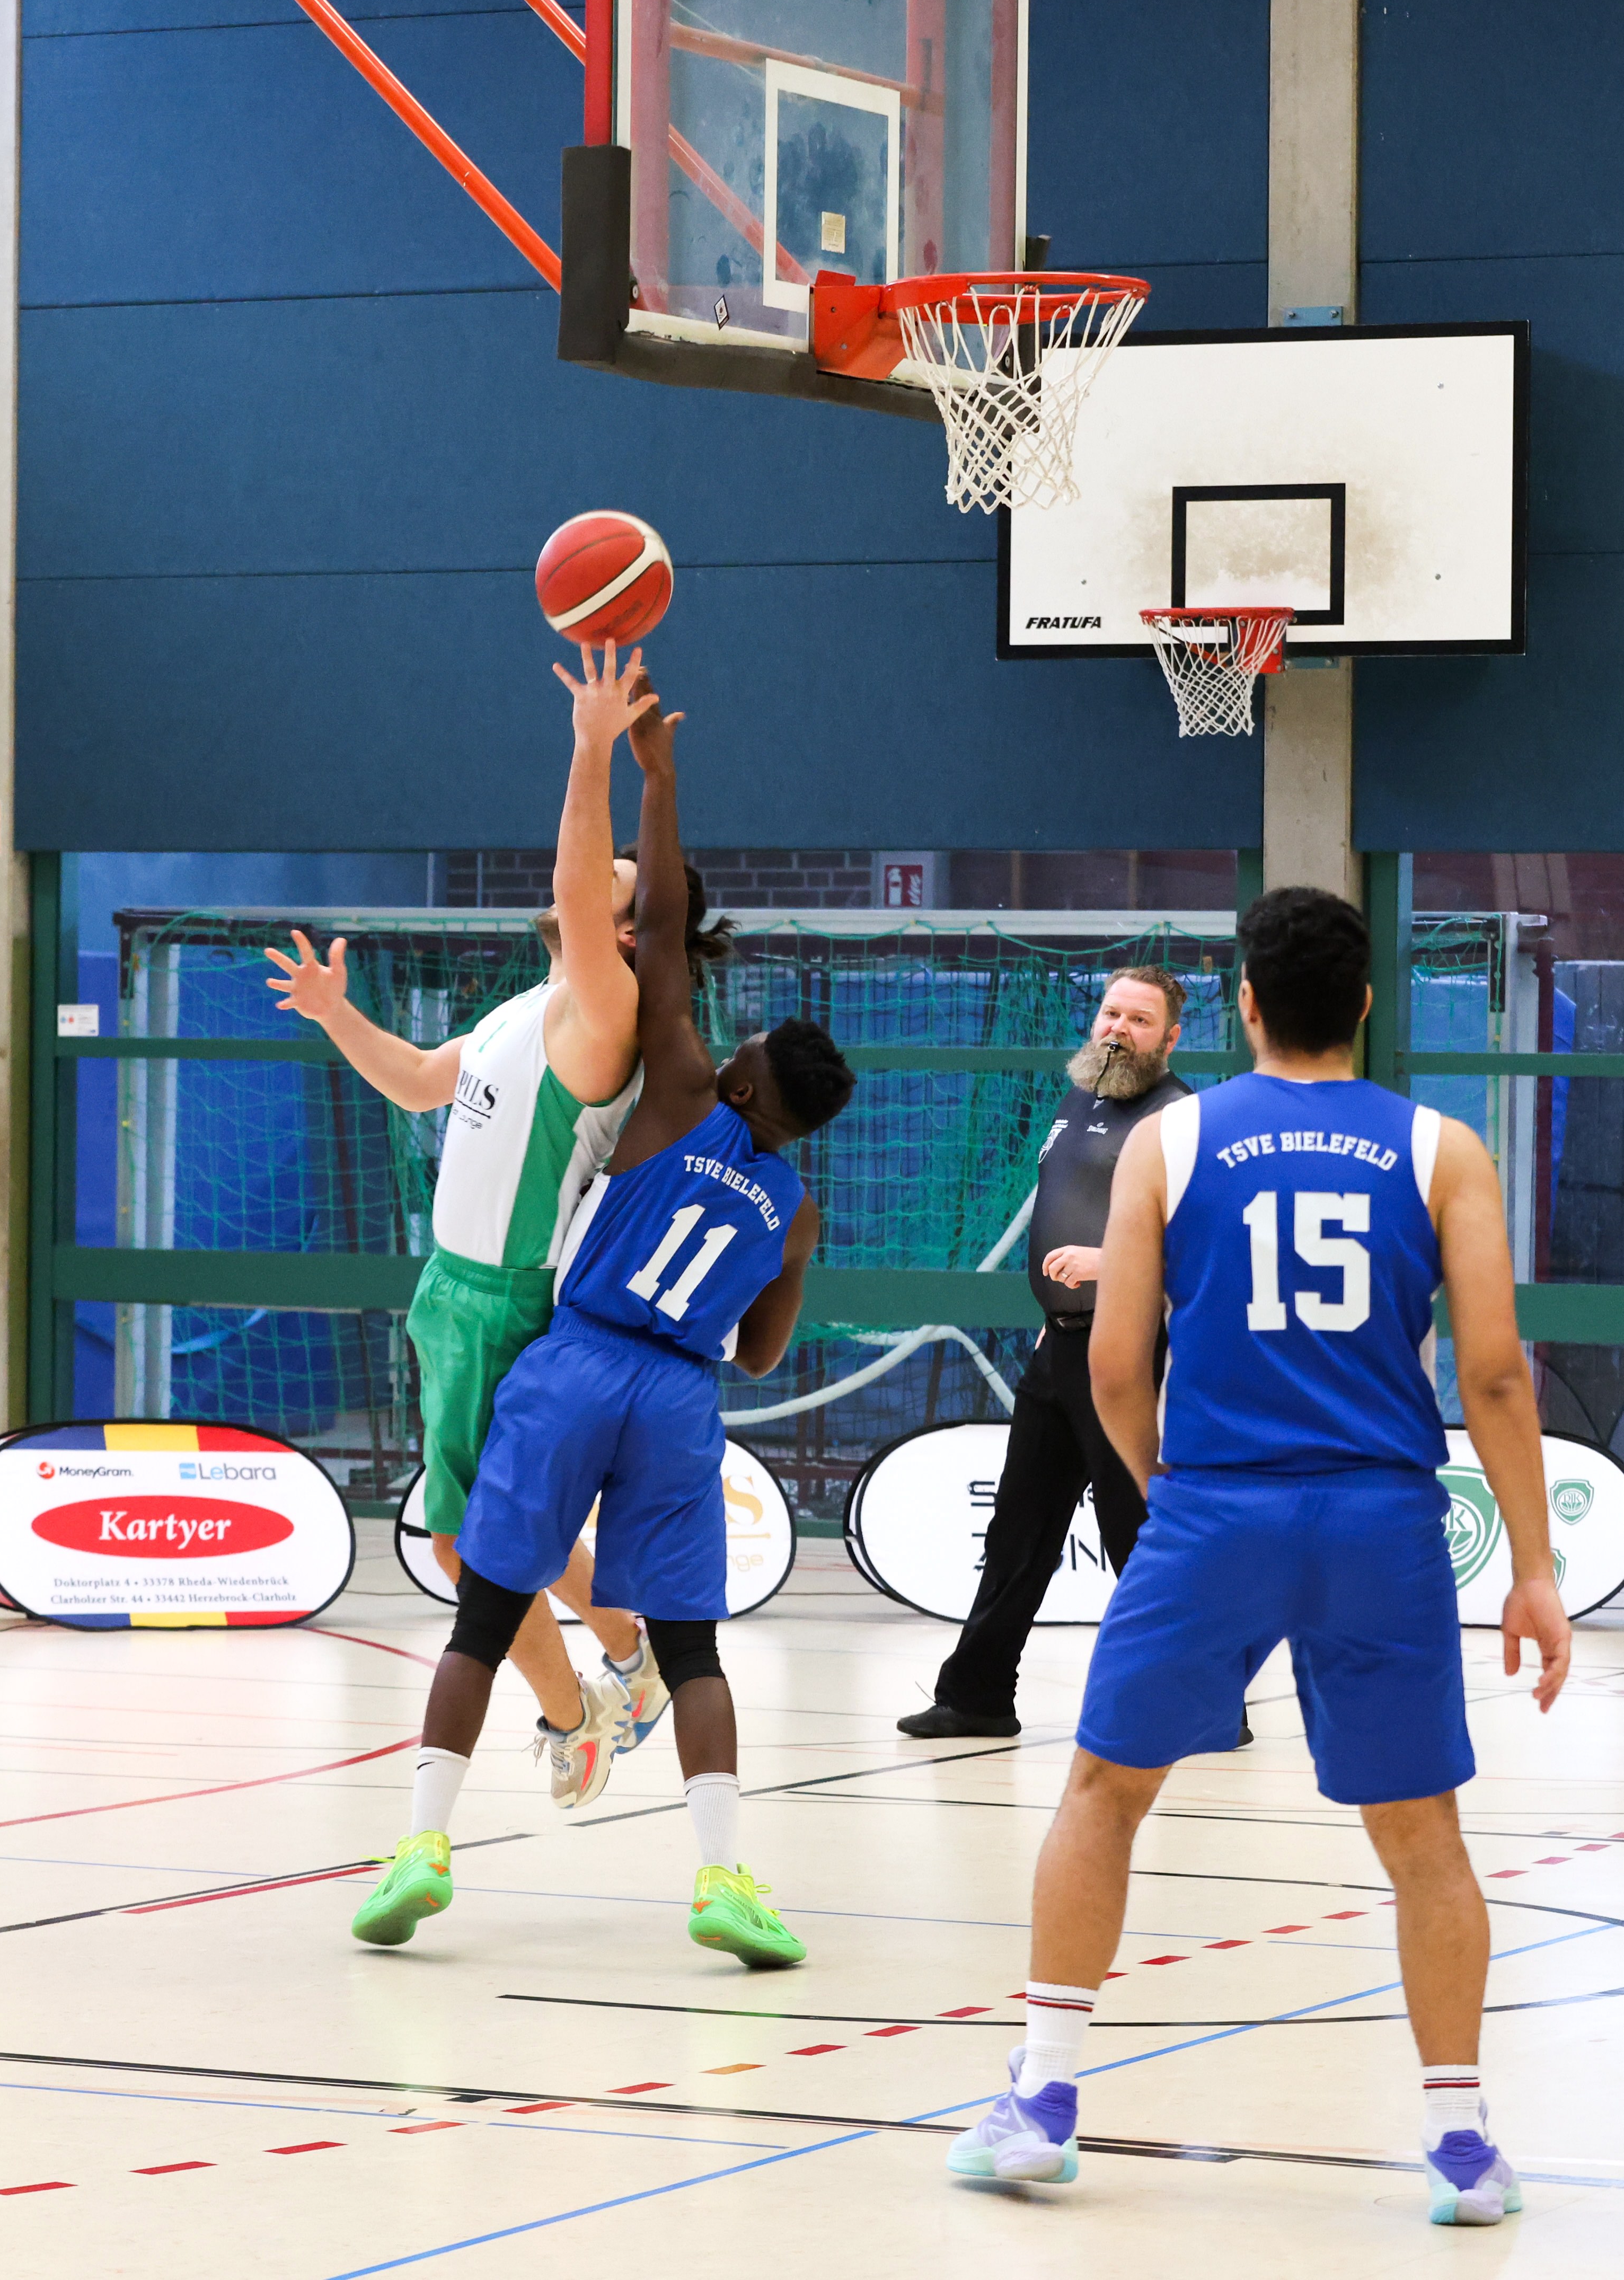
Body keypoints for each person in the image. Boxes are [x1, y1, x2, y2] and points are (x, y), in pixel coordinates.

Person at [946, 887, 1570, 2226]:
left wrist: (1163, 1486)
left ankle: (1042, 2100)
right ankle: (1461, 2143)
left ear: (1242, 1004)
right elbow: (1495, 1376)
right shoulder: (1443, 1149)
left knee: (1104, 1792)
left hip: (1218, 1508)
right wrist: (1533, 1565)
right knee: (1424, 1834)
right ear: (1364, 1004)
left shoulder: (1169, 1141)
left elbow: (1116, 1364)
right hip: (1379, 1519)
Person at [350, 692, 855, 1966]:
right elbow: (763, 1355)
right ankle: (722, 1872)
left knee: (480, 1603)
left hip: (570, 1352)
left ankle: (426, 1842)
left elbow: (654, 919)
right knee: (696, 1649)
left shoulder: (673, 1079)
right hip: (680, 1394)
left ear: (743, 1075)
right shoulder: (798, 1210)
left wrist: (642, 766)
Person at [265, 643, 729, 1809]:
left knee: (467, 1545)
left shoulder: (609, 1009)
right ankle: (626, 1656)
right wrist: (335, 1015)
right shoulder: (533, 1003)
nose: (588, 875)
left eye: (615, 878)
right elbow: (422, 1082)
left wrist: (590, 750)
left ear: (628, 933)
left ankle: (577, 1719)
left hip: (508, 1297)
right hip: (452, 1289)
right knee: (493, 1529)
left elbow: (579, 886)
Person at [899, 967, 1248, 1739]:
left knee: (1140, 1538)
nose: (1118, 1028)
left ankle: (1213, 1705)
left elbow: (1211, 1245)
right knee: (1017, 1532)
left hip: (1132, 1355)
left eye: (1139, 1019)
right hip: (1057, 1352)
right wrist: (1055, 1315)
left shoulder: (1179, 1118)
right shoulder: (1076, 1099)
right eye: (1110, 1012)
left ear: (1170, 1037)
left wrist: (1108, 1264)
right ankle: (976, 1697)